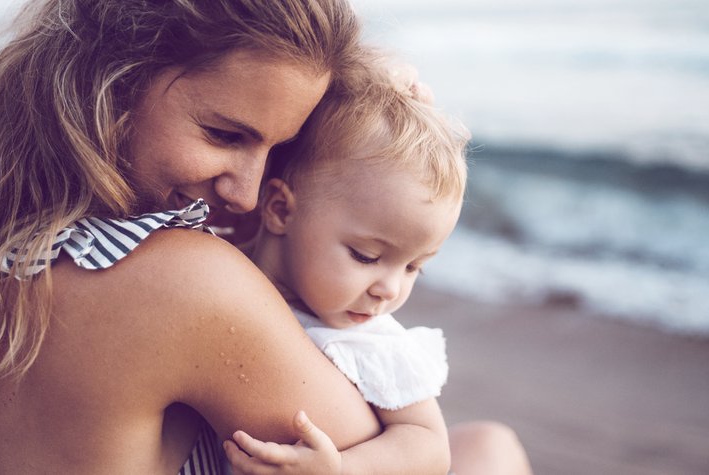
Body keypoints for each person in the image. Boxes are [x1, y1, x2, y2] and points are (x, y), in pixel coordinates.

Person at [0, 0, 531, 473]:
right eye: (225, 134)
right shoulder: (182, 282)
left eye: (279, 148)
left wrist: (360, 114)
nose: (249, 194)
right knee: (491, 453)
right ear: (116, 78)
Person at [224, 60, 532, 475]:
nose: (390, 290)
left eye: (413, 268)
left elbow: (427, 445)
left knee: (492, 444)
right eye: (367, 256)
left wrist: (342, 469)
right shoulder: (222, 263)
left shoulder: (370, 343)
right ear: (280, 210)